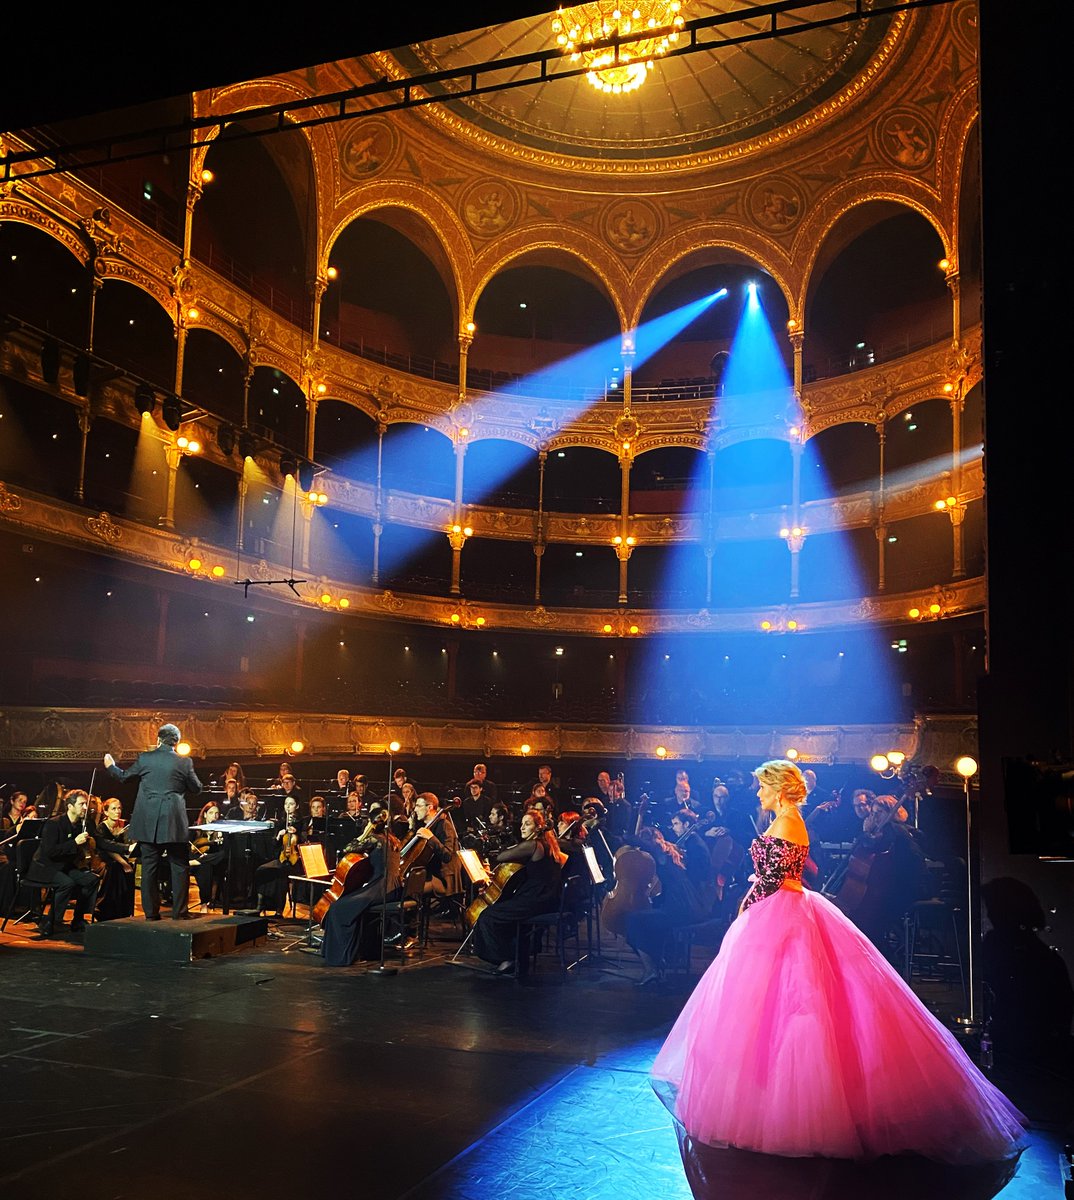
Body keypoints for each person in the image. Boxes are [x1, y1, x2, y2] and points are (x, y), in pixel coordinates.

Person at [651, 759, 1027, 1165]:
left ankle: (796, 1108)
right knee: (762, 1007)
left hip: (782, 913)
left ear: (778, 788)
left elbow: (777, 879)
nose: (758, 793)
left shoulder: (790, 821)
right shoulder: (782, 818)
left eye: (763, 786)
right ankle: (763, 1094)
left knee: (797, 1004)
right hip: (772, 911)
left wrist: (749, 903)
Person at [103, 723, 202, 922]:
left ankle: (151, 914)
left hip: (148, 822)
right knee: (179, 865)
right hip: (173, 822)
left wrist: (110, 766)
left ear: (158, 740)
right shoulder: (184, 762)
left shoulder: (145, 758)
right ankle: (180, 912)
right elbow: (197, 788)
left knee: (149, 866)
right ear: (177, 742)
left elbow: (124, 777)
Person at [471, 809, 567, 974]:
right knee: (504, 912)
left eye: (527, 824)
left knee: (488, 915)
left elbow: (501, 856)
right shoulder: (548, 843)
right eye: (522, 824)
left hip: (536, 900)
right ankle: (517, 954)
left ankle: (506, 957)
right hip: (548, 899)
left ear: (538, 828)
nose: (522, 827)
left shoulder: (533, 845)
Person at [24, 788, 101, 937]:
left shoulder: (82, 824)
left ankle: (78, 920)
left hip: (63, 866)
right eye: (82, 804)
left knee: (91, 880)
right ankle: (49, 922)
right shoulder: (54, 824)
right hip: (43, 866)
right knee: (67, 883)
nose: (86, 808)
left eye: (86, 804)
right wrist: (74, 843)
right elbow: (49, 852)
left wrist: (125, 849)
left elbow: (100, 841)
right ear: (70, 806)